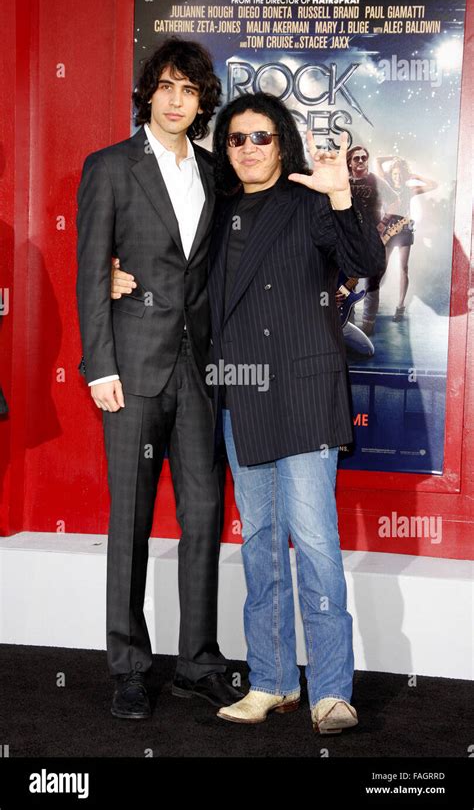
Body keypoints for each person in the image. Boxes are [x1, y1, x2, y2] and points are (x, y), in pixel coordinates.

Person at [115, 93, 385, 733]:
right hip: (243, 398)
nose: (248, 148)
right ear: (225, 149)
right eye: (235, 139)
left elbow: (367, 264)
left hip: (306, 397)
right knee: (262, 547)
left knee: (316, 546)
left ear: (280, 141)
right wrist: (114, 274)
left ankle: (329, 692)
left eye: (261, 137)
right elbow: (177, 277)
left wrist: (343, 197)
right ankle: (269, 681)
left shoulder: (312, 201)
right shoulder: (219, 210)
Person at [76, 37, 242, 721]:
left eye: (190, 89)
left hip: (199, 373)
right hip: (133, 371)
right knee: (132, 522)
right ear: (149, 93)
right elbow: (91, 270)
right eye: (167, 87)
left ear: (203, 101)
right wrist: (100, 364)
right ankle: (129, 664)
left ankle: (198, 661)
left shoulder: (215, 172)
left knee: (202, 516)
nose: (177, 100)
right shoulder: (111, 167)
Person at [374, 155, 437, 322]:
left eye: (401, 174)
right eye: (395, 174)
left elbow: (433, 185)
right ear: (391, 174)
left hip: (404, 228)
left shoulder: (409, 190)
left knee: (404, 268)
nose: (398, 177)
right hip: (388, 228)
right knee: (381, 268)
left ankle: (400, 306)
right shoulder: (386, 185)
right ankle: (371, 301)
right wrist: (394, 158)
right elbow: (378, 160)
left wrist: (415, 176)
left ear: (405, 175)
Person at [346, 145, 398, 335]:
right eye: (356, 158)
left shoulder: (376, 180)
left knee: (373, 280)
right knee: (347, 279)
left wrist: (384, 222)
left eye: (364, 158)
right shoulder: (343, 181)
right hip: (349, 236)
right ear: (349, 162)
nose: (360, 161)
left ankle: (368, 324)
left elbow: (395, 200)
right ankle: (347, 322)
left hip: (374, 236)